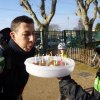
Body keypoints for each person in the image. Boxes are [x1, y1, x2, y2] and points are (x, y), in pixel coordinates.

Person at [0, 15, 37, 100]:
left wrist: (19, 94)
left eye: (33, 33)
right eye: (26, 34)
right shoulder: (2, 55)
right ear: (13, 36)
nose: (32, 39)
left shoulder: (31, 51)